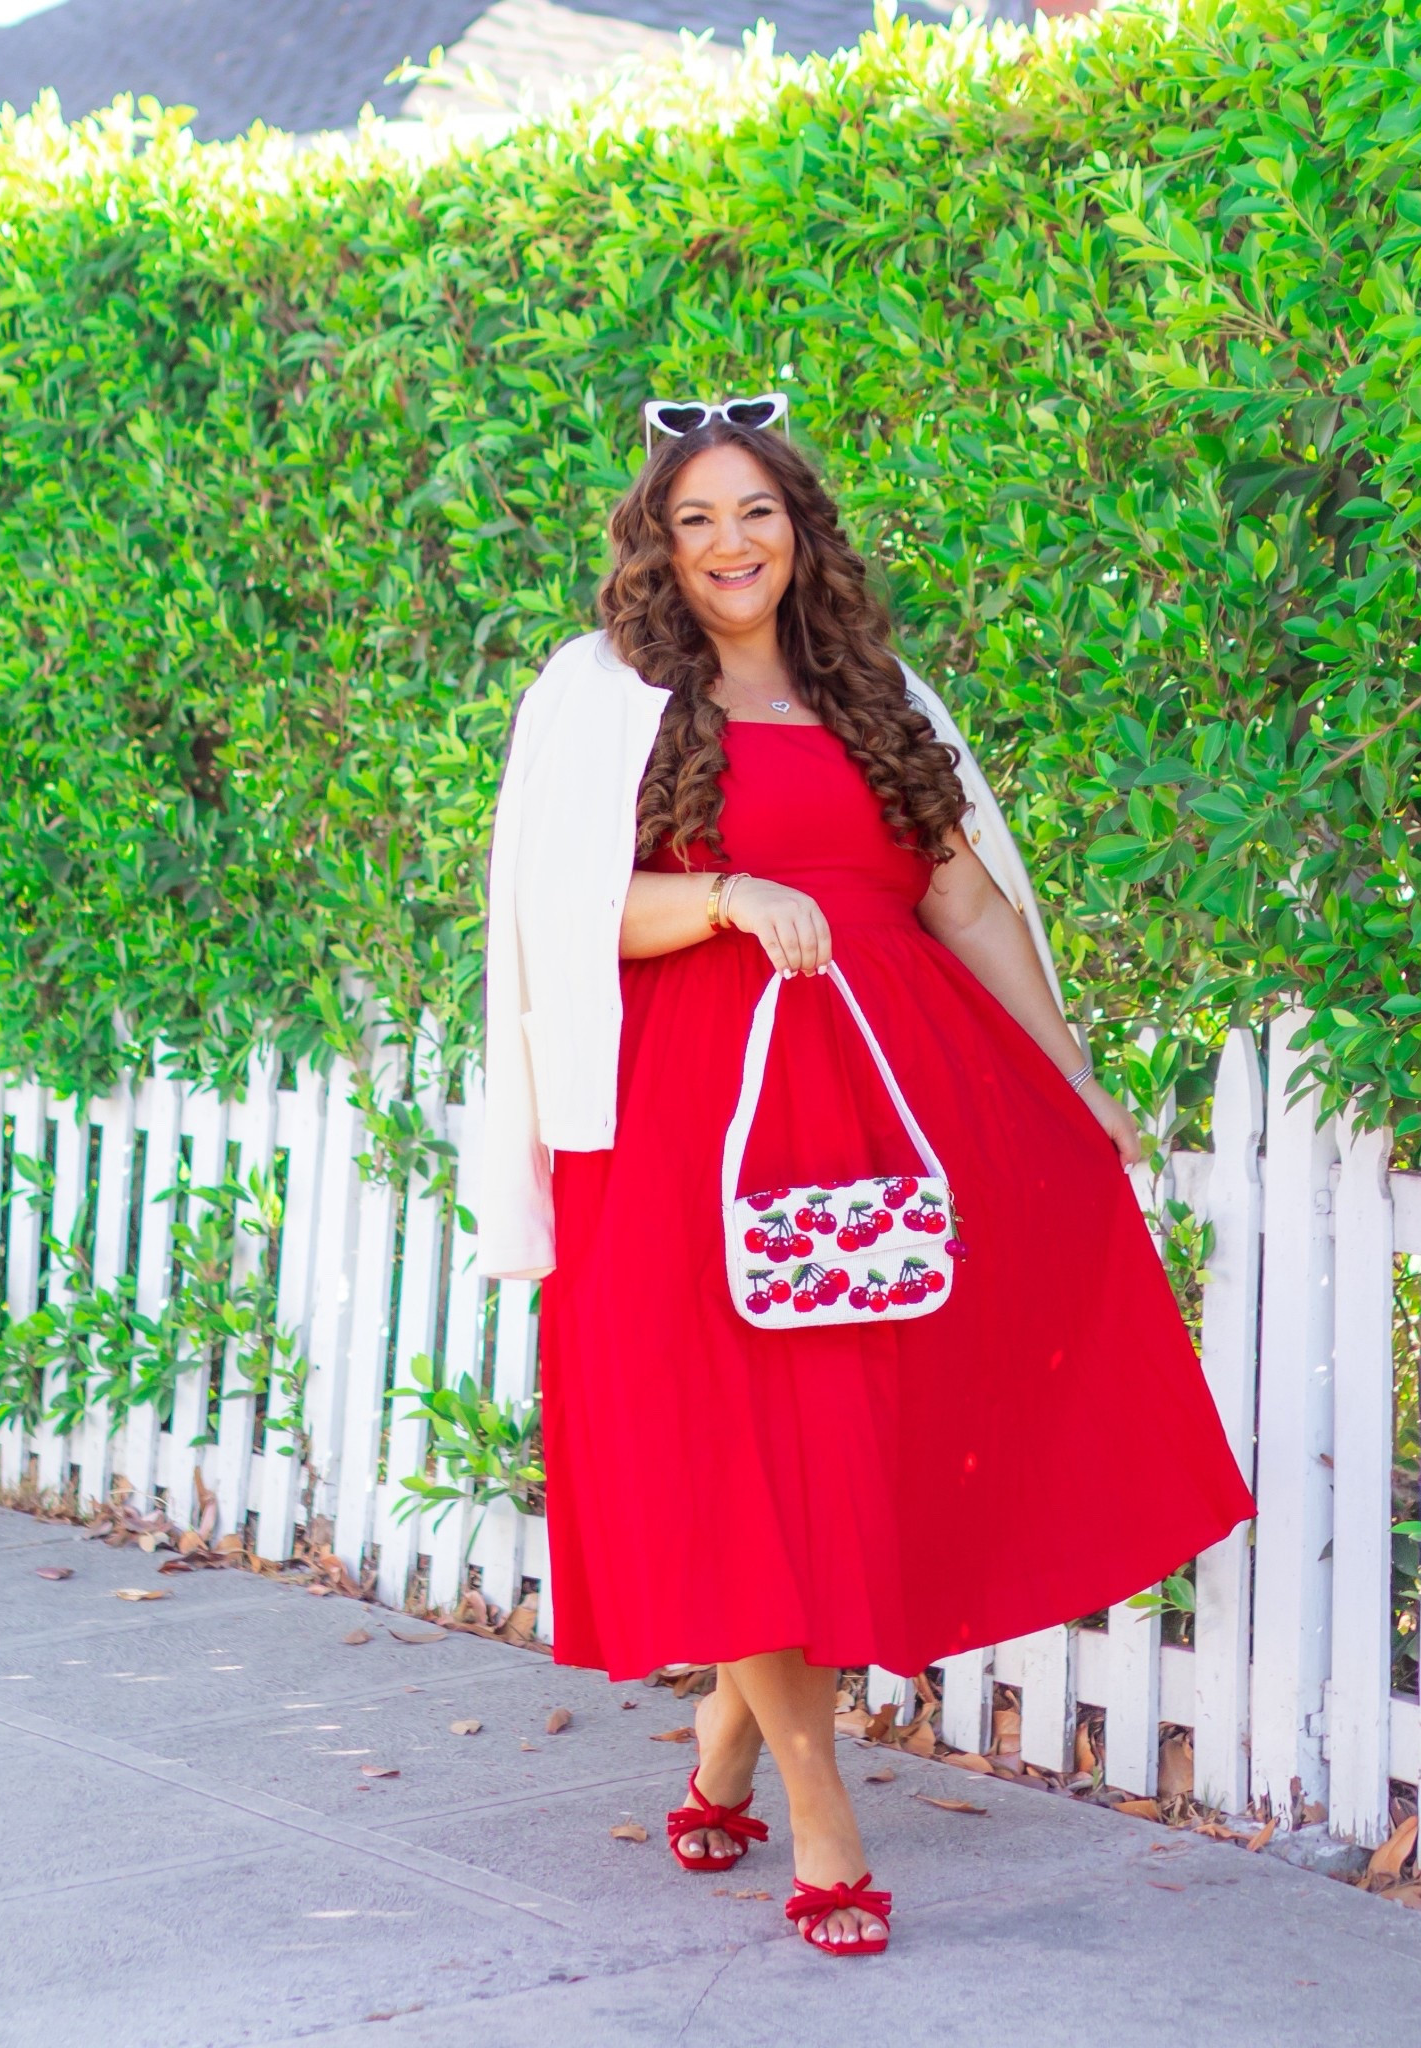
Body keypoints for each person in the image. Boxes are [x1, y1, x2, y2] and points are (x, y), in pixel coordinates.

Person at [474, 397, 1254, 1956]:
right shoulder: (604, 695)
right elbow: (556, 916)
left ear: (800, 526)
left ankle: (728, 1744)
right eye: (696, 518)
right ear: (656, 542)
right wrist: (723, 896)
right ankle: (823, 1817)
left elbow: (964, 899)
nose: (730, 544)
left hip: (889, 1112)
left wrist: (1076, 1078)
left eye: (755, 511)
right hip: (686, 1130)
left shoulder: (875, 691)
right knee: (744, 1460)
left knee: (842, 1455)